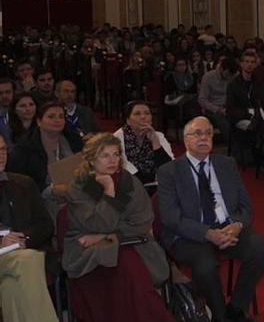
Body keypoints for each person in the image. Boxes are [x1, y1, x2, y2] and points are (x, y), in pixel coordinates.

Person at [157, 117, 264, 322]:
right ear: (186, 140)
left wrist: (236, 224)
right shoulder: (169, 171)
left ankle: (236, 308)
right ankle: (219, 315)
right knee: (206, 265)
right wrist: (207, 233)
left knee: (259, 249)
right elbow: (171, 218)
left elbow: (246, 205)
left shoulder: (226, 163)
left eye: (208, 133)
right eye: (197, 133)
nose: (204, 138)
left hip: (227, 228)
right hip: (189, 234)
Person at [62, 133, 174, 322]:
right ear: (91, 160)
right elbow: (97, 224)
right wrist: (108, 192)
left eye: (116, 154)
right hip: (85, 251)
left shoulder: (129, 181)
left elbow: (143, 222)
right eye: (105, 155)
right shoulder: (79, 186)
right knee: (124, 263)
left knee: (127, 263)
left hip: (134, 242)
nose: (112, 160)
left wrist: (104, 237)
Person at [0, 133, 59, 322]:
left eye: (2, 150)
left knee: (11, 287)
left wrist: (23, 239)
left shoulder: (23, 183)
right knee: (29, 261)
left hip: (22, 253)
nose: (1, 155)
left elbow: (45, 224)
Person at [113, 101, 172, 186]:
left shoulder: (158, 136)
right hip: (129, 185)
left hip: (156, 185)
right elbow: (122, 166)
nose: (143, 117)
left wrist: (155, 142)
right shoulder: (117, 138)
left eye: (147, 113)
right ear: (128, 120)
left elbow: (169, 167)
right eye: (137, 114)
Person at [199, 56, 236, 141]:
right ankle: (232, 142)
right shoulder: (208, 77)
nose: (229, 77)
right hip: (213, 108)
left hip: (228, 106)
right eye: (227, 74)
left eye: (231, 75)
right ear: (221, 69)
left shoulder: (233, 77)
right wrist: (218, 109)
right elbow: (202, 100)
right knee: (221, 117)